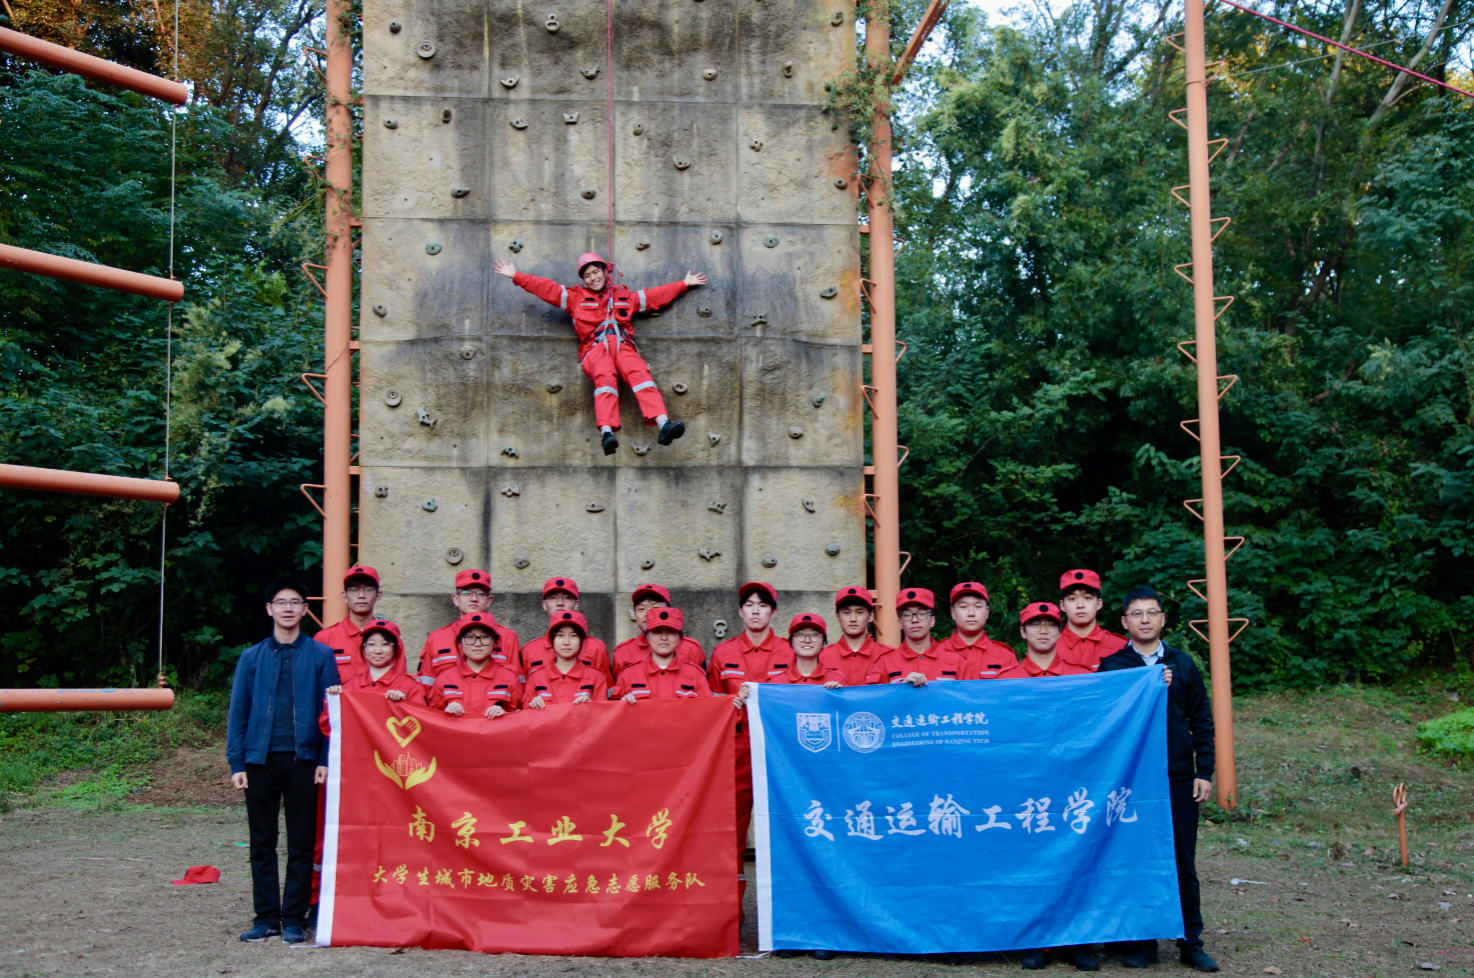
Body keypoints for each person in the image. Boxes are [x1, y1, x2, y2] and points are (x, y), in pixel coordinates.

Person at [1099, 587, 1218, 972]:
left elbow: (1202, 720)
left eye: (1152, 612)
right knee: (1136, 858)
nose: (1145, 619)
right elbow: (1103, 716)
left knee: (1182, 860)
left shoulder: (1182, 664)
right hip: (1131, 782)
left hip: (1178, 777)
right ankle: (1142, 941)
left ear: (1163, 619)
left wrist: (1204, 771)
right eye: (1137, 614)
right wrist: (1144, 683)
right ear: (1124, 622)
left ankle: (1190, 942)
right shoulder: (1113, 666)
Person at [493, 253, 705, 454]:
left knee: (640, 374)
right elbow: (546, 288)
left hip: (622, 346)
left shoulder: (624, 297)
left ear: (605, 272)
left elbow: (653, 296)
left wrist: (683, 284)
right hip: (595, 349)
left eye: (596, 272)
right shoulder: (575, 297)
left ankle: (663, 424)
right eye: (587, 275)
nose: (592, 278)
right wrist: (516, 276)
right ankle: (606, 433)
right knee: (605, 377)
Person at [226, 575, 339, 945]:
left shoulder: (321, 656)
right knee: (262, 842)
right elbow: (238, 712)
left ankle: (294, 918)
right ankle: (265, 918)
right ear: (269, 609)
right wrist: (237, 763)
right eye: (281, 602)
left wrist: (324, 758)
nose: (288, 608)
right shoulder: (251, 657)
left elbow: (330, 712)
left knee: (301, 844)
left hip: (303, 760)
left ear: (305, 610)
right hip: (259, 761)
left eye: (295, 602)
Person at [707, 582, 793, 920]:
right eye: (749, 605)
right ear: (740, 611)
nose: (756, 610)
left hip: (779, 752)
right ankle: (732, 912)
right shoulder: (723, 654)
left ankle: (788, 913)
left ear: (774, 611)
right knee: (731, 833)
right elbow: (711, 705)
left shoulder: (790, 651)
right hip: (737, 750)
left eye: (763, 605)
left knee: (786, 829)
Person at [418, 569, 520, 678]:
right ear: (456, 599)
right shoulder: (436, 639)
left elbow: (517, 682)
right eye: (466, 593)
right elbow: (426, 683)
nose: (474, 599)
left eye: (481, 594)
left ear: (489, 601)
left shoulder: (507, 637)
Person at [864, 588, 972, 685]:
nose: (915, 620)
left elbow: (969, 698)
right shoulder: (884, 663)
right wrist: (901, 689)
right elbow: (874, 699)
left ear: (932, 621)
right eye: (907, 615)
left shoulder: (957, 662)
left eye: (921, 613)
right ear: (900, 623)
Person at [320, 618, 425, 714]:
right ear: (364, 649)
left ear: (395, 649)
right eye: (371, 644)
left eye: (385, 644)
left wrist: (406, 705)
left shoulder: (412, 687)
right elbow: (329, 724)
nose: (378, 651)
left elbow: (423, 723)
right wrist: (332, 701)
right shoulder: (349, 688)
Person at [427, 614, 522, 718]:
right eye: (470, 637)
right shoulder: (444, 679)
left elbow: (522, 718)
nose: (477, 644)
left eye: (485, 637)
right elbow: (431, 719)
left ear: (494, 642)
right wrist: (445, 713)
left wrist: (506, 715)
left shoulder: (509, 678)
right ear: (460, 642)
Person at [518, 578, 611, 681]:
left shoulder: (596, 648)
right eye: (553, 598)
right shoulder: (529, 651)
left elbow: (606, 687)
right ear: (544, 604)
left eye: (567, 598)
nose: (560, 603)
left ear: (576, 604)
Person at [610, 608, 714, 701]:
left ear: (679, 637)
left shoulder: (696, 674)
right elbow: (613, 713)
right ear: (647, 636)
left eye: (671, 632)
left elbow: (709, 712)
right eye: (657, 632)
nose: (664, 637)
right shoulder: (628, 674)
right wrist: (622, 706)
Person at [611, 583, 706, 678]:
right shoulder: (622, 652)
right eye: (641, 609)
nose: (648, 614)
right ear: (635, 614)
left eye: (656, 608)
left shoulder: (691, 649)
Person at [313, 564, 384, 682]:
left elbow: (401, 684)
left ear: (378, 596)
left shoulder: (390, 639)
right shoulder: (324, 639)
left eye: (368, 590)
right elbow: (313, 682)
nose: (361, 596)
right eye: (354, 590)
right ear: (345, 596)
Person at [525, 611, 610, 707]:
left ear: (582, 641)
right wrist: (531, 707)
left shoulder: (596, 677)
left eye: (573, 636)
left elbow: (603, 714)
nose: (566, 642)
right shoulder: (536, 678)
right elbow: (525, 715)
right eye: (560, 635)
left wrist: (592, 708)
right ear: (551, 640)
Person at [935, 581, 1018, 678]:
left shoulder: (1005, 656)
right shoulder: (936, 653)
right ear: (953, 613)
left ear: (987, 612)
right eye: (963, 607)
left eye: (978, 606)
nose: (971, 613)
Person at [994, 602, 1093, 680]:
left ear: (1059, 632)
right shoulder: (1006, 679)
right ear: (1023, 632)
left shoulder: (1082, 677)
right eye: (1035, 624)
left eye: (1050, 624)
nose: (1043, 631)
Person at [820, 586, 892, 686]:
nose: (853, 619)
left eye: (859, 612)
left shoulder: (888, 655)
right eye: (847, 612)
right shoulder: (822, 657)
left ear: (871, 616)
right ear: (837, 617)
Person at [1057, 569, 1127, 672]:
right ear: (1062, 605)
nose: (1080, 605)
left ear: (1099, 603)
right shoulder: (1049, 648)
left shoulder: (1120, 646)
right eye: (1072, 598)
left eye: (1087, 598)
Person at [773, 614, 844, 687]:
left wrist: (839, 692)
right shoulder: (776, 683)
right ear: (791, 640)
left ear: (823, 641)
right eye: (801, 634)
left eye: (814, 634)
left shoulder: (838, 681)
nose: (807, 640)